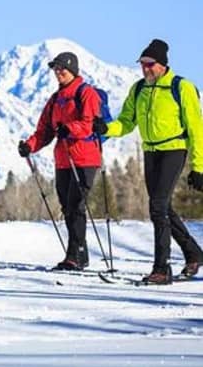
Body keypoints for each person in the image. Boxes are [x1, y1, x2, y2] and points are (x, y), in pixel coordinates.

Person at [93, 39, 203, 284]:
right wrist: (106, 128)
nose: (145, 69)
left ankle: (161, 269)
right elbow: (126, 122)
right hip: (150, 152)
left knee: (157, 207)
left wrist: (199, 166)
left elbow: (196, 128)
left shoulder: (181, 87)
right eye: (142, 65)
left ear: (162, 65)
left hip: (174, 150)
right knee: (161, 208)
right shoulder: (139, 89)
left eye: (149, 65)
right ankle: (194, 253)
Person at [18, 52, 102, 271]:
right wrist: (29, 145)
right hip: (63, 160)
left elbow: (90, 123)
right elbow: (44, 130)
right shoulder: (56, 99)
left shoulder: (86, 93)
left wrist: (70, 128)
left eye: (61, 69)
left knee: (76, 205)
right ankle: (77, 253)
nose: (58, 72)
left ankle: (76, 254)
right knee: (67, 206)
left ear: (72, 69)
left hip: (84, 158)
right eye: (55, 69)